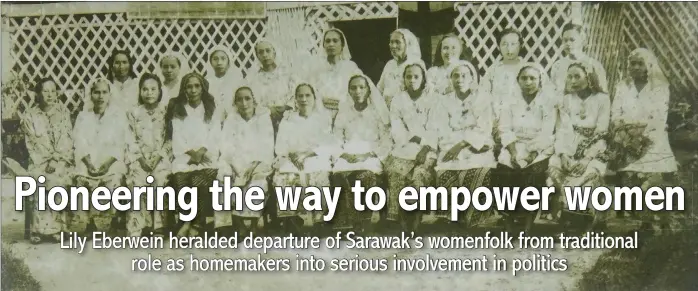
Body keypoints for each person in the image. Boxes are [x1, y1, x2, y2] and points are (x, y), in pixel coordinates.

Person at [609, 48, 678, 231]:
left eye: (641, 63)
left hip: (652, 136)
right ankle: (641, 217)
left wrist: (642, 135)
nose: (636, 67)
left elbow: (659, 118)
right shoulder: (622, 86)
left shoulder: (660, 87)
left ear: (649, 66)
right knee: (630, 170)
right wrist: (625, 132)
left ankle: (661, 216)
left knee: (656, 172)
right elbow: (616, 113)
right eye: (633, 63)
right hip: (626, 138)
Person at [427, 61, 496, 227]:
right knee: (445, 174)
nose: (460, 79)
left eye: (464, 75)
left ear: (472, 78)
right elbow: (439, 128)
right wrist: (455, 144)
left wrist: (463, 143)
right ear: (450, 79)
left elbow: (484, 128)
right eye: (456, 75)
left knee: (479, 172)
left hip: (475, 147)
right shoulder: (442, 101)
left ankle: (473, 219)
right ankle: (451, 218)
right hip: (449, 147)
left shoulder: (482, 99)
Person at [494, 63, 557, 234]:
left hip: (539, 148)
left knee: (533, 175)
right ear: (518, 80)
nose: (528, 82)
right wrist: (514, 153)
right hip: (514, 146)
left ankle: (528, 223)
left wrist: (532, 154)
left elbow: (547, 132)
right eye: (524, 78)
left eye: (532, 78)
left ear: (540, 81)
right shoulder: (509, 102)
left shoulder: (548, 103)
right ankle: (508, 220)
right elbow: (504, 129)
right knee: (504, 172)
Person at [548, 62, 610, 228]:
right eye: (570, 77)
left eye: (577, 76)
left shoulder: (602, 99)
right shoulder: (566, 100)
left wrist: (586, 159)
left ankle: (585, 219)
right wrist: (563, 154)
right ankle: (567, 215)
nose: (572, 81)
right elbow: (561, 129)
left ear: (589, 77)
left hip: (595, 148)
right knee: (554, 164)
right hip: (569, 146)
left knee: (590, 171)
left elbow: (601, 132)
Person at [331, 74, 391, 232]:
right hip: (348, 153)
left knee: (365, 175)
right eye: (353, 88)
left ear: (368, 90)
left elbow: (385, 139)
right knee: (339, 175)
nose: (357, 91)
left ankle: (364, 221)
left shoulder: (377, 113)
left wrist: (369, 155)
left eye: (361, 87)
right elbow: (336, 137)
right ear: (349, 92)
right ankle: (346, 223)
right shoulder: (344, 113)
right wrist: (343, 154)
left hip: (371, 154)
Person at [165, 72, 223, 237]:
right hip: (186, 156)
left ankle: (195, 223)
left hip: (207, 157)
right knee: (181, 180)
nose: (193, 90)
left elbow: (215, 134)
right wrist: (192, 153)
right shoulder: (179, 110)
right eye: (189, 86)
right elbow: (178, 136)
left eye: (197, 86)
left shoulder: (211, 109)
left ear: (203, 88)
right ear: (184, 90)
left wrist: (202, 151)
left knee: (200, 181)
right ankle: (188, 221)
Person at [273, 82, 335, 232]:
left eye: (307, 95)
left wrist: (307, 154)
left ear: (314, 97)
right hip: (292, 158)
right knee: (285, 177)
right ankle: (292, 219)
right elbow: (280, 145)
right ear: (295, 99)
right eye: (300, 96)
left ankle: (319, 219)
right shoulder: (288, 119)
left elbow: (328, 143)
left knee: (318, 176)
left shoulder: (322, 118)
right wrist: (293, 155)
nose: (304, 99)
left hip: (316, 156)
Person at [385, 61, 438, 233]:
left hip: (427, 149)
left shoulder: (432, 99)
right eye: (408, 76)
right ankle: (400, 219)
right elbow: (397, 126)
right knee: (395, 172)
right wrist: (411, 138)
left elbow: (435, 127)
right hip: (404, 147)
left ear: (423, 78)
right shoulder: (398, 100)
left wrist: (424, 145)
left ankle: (416, 217)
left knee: (419, 174)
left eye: (416, 76)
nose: (412, 80)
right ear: (404, 79)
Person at [20, 77, 74, 243]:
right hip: (38, 160)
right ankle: (37, 230)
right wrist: (45, 161)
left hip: (60, 160)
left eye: (53, 91)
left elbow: (67, 140)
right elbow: (32, 143)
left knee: (59, 178)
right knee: (39, 179)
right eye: (45, 91)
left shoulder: (64, 113)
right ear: (38, 94)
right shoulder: (29, 116)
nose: (50, 95)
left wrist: (56, 159)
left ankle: (57, 229)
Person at [72, 78, 130, 233]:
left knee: (115, 177)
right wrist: (89, 164)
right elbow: (79, 142)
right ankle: (89, 223)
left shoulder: (118, 116)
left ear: (110, 94)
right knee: (81, 177)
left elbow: (121, 143)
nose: (100, 96)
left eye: (104, 92)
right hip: (89, 160)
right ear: (91, 94)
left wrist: (107, 163)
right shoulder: (83, 117)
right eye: (97, 92)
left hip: (111, 160)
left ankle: (112, 221)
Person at [217, 84, 275, 235]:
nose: (244, 103)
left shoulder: (263, 117)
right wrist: (237, 166)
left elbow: (267, 146)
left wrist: (253, 165)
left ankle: (254, 223)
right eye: (239, 100)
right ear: (235, 103)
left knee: (258, 180)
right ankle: (234, 223)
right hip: (235, 161)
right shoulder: (231, 119)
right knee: (224, 177)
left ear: (254, 100)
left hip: (258, 162)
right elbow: (226, 146)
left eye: (247, 98)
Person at [124, 73, 172, 236]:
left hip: (161, 158)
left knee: (160, 180)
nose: (149, 93)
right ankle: (138, 226)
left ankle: (159, 225)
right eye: (145, 89)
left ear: (160, 91)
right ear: (140, 92)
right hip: (139, 158)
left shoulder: (166, 111)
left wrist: (159, 156)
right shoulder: (133, 113)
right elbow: (129, 138)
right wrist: (140, 158)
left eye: (153, 89)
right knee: (137, 181)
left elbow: (169, 139)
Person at [245, 38, 296, 134]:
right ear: (257, 56)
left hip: (288, 116)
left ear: (274, 52)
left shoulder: (287, 73)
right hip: (262, 119)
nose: (265, 55)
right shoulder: (253, 78)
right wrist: (268, 111)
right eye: (261, 52)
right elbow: (251, 100)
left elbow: (296, 93)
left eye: (268, 51)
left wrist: (286, 107)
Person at [310, 28, 363, 117]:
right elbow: (309, 91)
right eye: (328, 41)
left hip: (345, 114)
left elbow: (361, 90)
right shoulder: (316, 68)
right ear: (323, 45)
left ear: (342, 45)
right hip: (321, 114)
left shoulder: (350, 67)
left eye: (335, 41)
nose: (331, 44)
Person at [549, 23, 608, 93]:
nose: (568, 43)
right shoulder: (557, 66)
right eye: (565, 40)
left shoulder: (594, 65)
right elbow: (552, 93)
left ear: (582, 40)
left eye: (572, 40)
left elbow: (603, 93)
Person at [377, 28, 423, 108]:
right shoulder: (390, 64)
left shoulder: (416, 64)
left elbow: (421, 91)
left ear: (407, 44)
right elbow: (379, 88)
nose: (393, 46)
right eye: (391, 42)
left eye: (397, 42)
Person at [205, 45, 244, 110]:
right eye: (215, 59)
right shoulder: (206, 82)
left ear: (228, 61)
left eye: (223, 59)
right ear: (210, 62)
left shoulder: (237, 80)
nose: (219, 63)